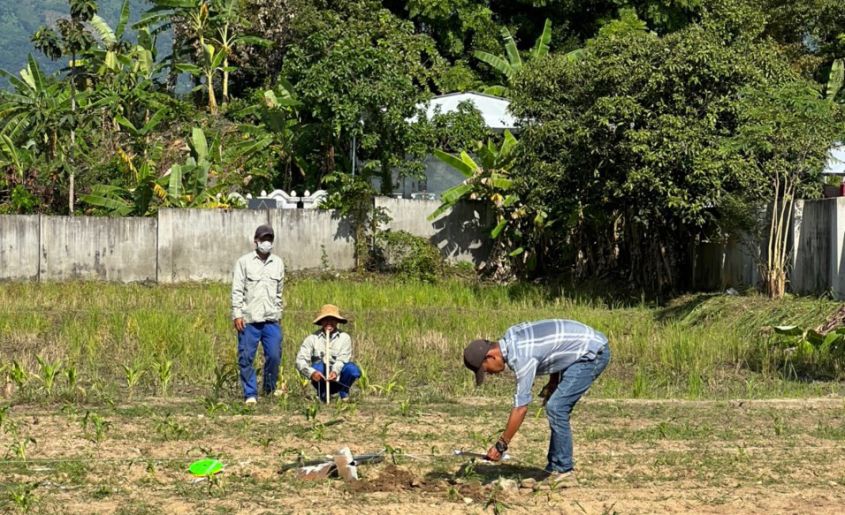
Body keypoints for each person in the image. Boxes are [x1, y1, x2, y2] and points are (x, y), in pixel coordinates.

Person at [462, 319, 610, 487]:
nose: (488, 373)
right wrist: (553, 381)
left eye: (485, 369)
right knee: (555, 406)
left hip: (592, 353)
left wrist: (501, 445)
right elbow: (555, 349)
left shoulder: (521, 357)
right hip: (581, 348)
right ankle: (553, 468)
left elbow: (521, 408)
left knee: (556, 407)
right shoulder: (511, 336)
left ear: (491, 356)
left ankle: (564, 471)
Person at [231, 224, 285, 404]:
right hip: (249, 319)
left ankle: (269, 388)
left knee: (274, 355)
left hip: (271, 319)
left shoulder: (278, 263)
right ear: (256, 241)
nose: (266, 243)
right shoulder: (244, 262)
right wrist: (237, 314)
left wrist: (278, 312)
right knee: (246, 357)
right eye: (263, 239)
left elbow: (279, 292)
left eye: (269, 239)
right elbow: (237, 290)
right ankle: (250, 393)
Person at [295, 304, 361, 402]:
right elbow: (300, 361)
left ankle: (344, 393)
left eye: (332, 319)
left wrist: (334, 372)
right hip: (320, 378)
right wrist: (312, 373)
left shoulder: (344, 338)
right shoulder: (312, 338)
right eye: (326, 319)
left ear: (337, 321)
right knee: (318, 366)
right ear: (321, 321)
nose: (329, 323)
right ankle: (322, 394)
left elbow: (342, 359)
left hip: (338, 377)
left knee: (352, 369)